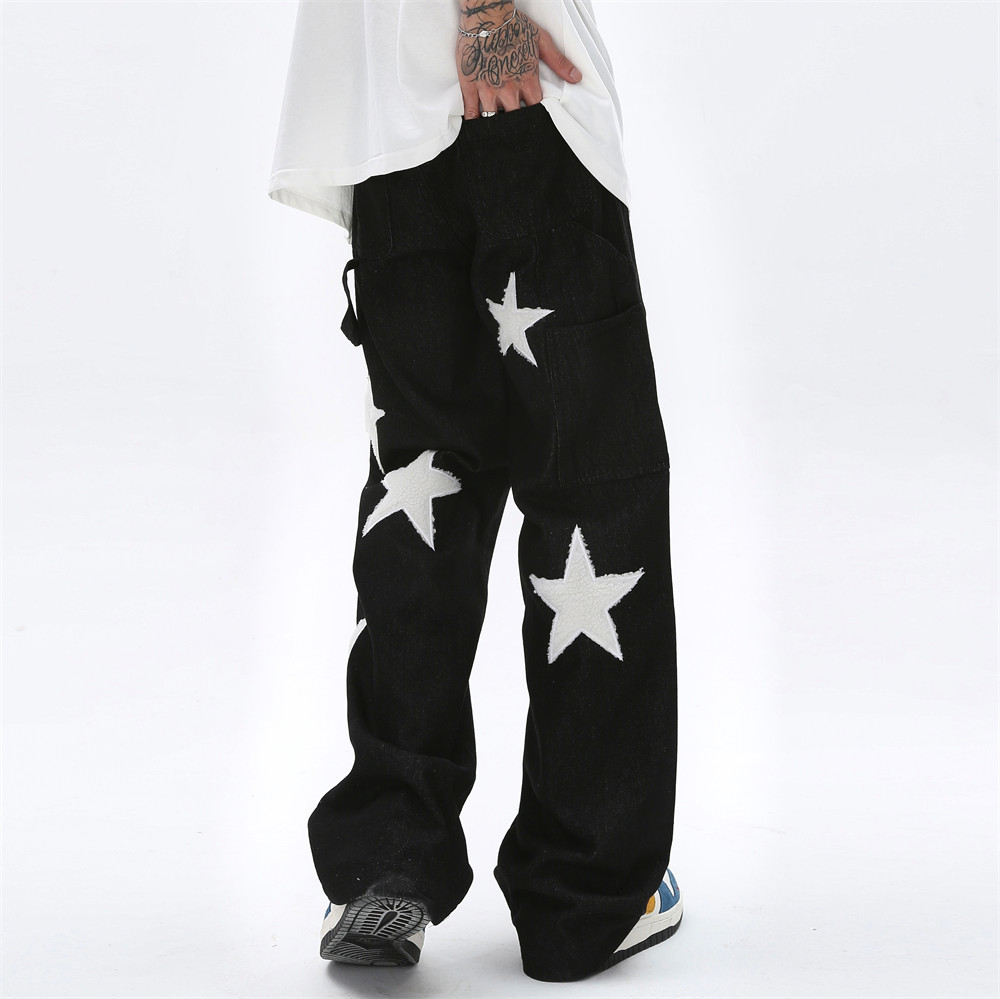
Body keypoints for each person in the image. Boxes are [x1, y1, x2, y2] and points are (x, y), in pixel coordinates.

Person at [267, 0, 681, 983]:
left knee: (423, 489)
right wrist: (489, 14)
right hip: (509, 92)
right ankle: (586, 890)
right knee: (592, 489)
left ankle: (386, 861)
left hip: (384, 124)